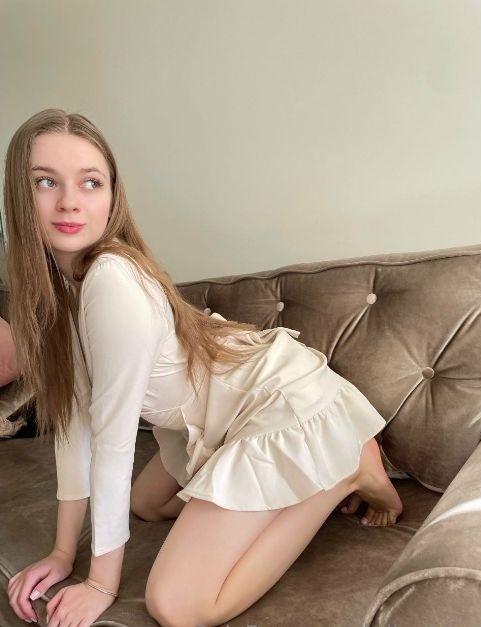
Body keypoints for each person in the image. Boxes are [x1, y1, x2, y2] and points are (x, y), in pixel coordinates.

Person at [5, 108, 403, 627]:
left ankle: (344, 469)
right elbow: (74, 422)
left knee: (178, 605)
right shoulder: (61, 289)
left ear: (112, 196)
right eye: (45, 182)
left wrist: (100, 584)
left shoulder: (111, 279)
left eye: (90, 182)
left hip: (277, 402)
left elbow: (112, 441)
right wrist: (62, 553)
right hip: (220, 416)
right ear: (18, 195)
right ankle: (323, 469)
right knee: (146, 504)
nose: (69, 201)